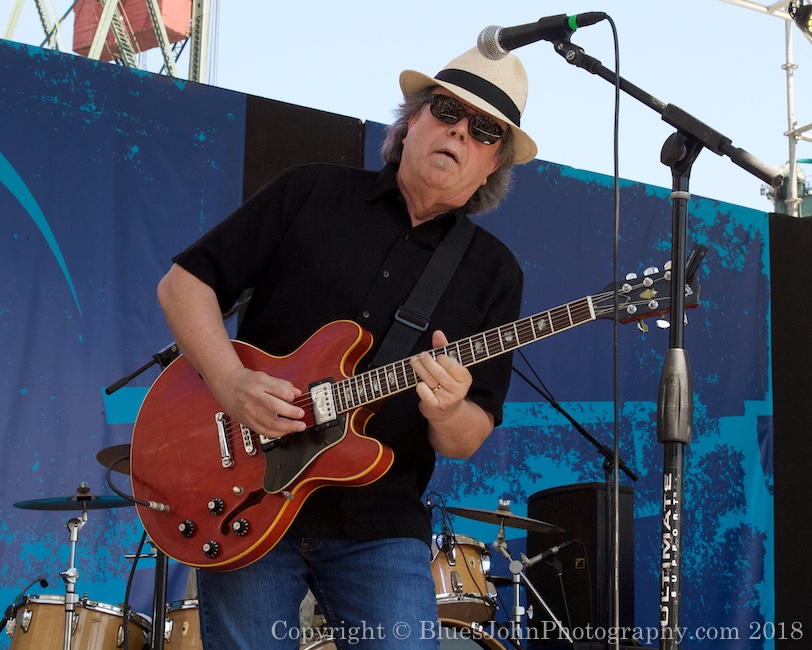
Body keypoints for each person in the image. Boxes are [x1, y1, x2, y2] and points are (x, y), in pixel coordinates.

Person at [156, 46, 538, 649]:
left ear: (493, 164)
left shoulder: (495, 273)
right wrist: (231, 384)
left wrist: (446, 409)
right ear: (411, 121)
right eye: (447, 111)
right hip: (246, 500)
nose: (460, 132)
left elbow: (466, 437)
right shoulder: (311, 191)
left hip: (380, 524)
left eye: (484, 130)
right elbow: (184, 285)